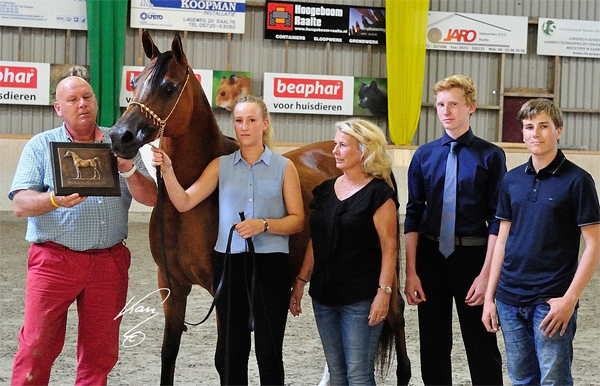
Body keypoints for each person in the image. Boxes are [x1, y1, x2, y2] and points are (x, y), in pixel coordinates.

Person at [9, 76, 157, 386]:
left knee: (100, 352)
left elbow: (151, 197)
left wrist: (128, 169)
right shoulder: (41, 145)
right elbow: (21, 204)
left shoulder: (121, 143)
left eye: (87, 97)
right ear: (58, 108)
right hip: (54, 261)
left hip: (109, 262)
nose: (82, 104)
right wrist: (54, 200)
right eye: (73, 99)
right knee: (36, 346)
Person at [151, 95, 304, 385]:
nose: (244, 127)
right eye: (238, 121)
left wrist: (265, 224)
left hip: (271, 266)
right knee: (233, 351)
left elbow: (297, 221)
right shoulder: (220, 166)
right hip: (230, 264)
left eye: (251, 120)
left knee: (269, 351)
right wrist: (168, 171)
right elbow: (184, 202)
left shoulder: (285, 168)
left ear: (265, 124)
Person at [482, 98, 600, 385]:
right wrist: (490, 297)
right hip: (509, 300)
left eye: (544, 126)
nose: (536, 133)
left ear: (558, 130)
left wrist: (569, 300)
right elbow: (501, 240)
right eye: (529, 127)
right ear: (522, 133)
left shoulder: (578, 181)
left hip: (551, 301)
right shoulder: (511, 180)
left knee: (553, 380)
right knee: (521, 379)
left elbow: (594, 245)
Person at [403, 75, 505, 385]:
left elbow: (498, 219)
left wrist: (487, 275)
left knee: (481, 343)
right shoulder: (424, 155)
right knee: (433, 344)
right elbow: (413, 214)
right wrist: (411, 272)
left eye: (454, 104)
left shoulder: (490, 156)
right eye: (441, 105)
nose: (446, 111)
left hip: (473, 257)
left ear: (471, 107)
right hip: (431, 257)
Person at [289, 118, 398, 386]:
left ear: (363, 150)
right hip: (324, 297)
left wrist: (383, 294)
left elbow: (390, 246)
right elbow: (316, 240)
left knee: (359, 375)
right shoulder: (325, 191)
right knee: (337, 375)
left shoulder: (379, 194)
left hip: (360, 298)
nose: (335, 151)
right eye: (335, 144)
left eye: (342, 145)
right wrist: (301, 281)